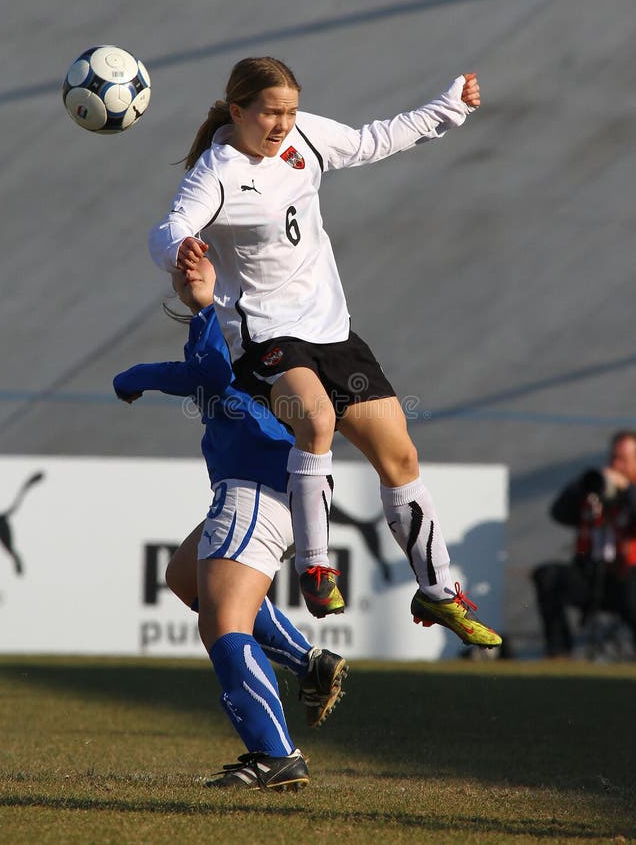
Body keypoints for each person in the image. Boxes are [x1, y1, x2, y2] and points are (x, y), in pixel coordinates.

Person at [148, 55, 501, 648]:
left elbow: (370, 141)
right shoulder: (219, 171)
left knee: (401, 458)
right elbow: (167, 229)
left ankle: (438, 591)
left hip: (331, 330)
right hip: (265, 337)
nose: (284, 122)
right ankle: (315, 565)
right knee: (316, 420)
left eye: (289, 109)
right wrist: (181, 250)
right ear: (238, 111)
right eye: (270, 112)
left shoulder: (305, 134)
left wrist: (451, 109)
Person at [113, 259, 348, 789]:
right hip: (272, 485)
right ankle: (307, 663)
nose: (187, 271)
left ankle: (275, 754)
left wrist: (139, 374)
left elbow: (207, 373)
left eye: (197, 264)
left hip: (255, 487)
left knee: (222, 623)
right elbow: (206, 378)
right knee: (185, 577)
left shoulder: (235, 324)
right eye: (183, 268)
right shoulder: (250, 325)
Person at [532, 430, 636, 658]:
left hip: (628, 577)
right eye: (614, 458)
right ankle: (558, 654)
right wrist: (583, 485)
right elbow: (558, 513)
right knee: (548, 576)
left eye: (624, 460)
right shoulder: (596, 492)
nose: (616, 465)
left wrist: (627, 489)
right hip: (592, 575)